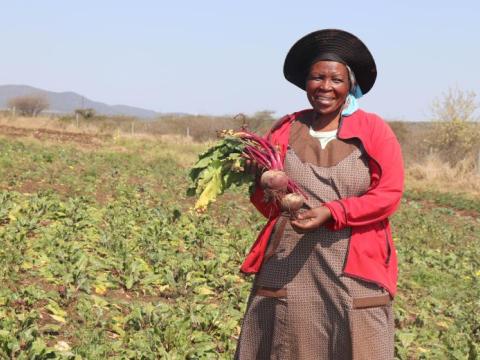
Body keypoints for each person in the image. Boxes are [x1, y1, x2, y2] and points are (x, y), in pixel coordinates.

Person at [235, 29, 404, 359]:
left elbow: (389, 194)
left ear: (349, 85)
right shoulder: (286, 127)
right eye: (317, 77)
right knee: (284, 341)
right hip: (289, 257)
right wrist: (261, 183)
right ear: (306, 82)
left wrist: (333, 212)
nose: (325, 87)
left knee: (358, 337)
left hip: (352, 264)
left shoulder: (373, 129)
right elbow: (266, 203)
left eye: (335, 79)